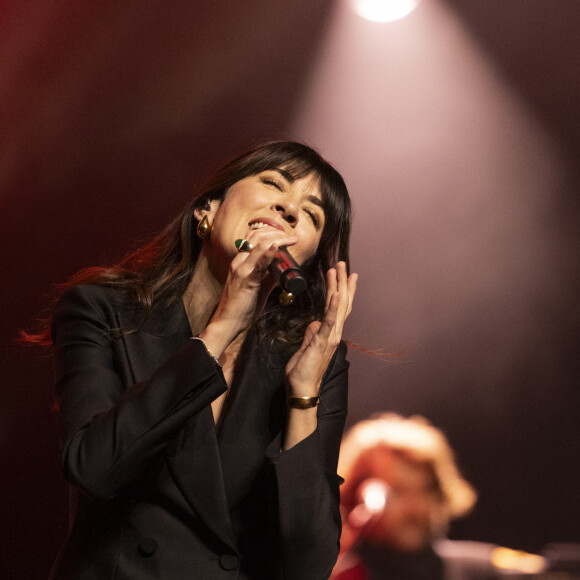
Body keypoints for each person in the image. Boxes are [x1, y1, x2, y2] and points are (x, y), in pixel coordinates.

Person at [33, 141, 358, 579]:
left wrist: (303, 395)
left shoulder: (311, 360)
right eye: (273, 184)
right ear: (208, 209)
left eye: (311, 214)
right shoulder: (102, 310)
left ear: (304, 261)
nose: (288, 208)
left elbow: (308, 563)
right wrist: (222, 326)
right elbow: (93, 467)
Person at [331, 413, 547, 580]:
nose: (416, 506)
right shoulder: (334, 573)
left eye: (427, 489)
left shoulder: (486, 568)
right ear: (359, 496)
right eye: (399, 490)